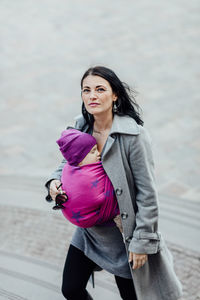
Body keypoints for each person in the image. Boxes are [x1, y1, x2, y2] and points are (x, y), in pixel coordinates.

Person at [45, 66, 182, 300]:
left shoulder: (133, 136)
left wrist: (141, 243)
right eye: (86, 90)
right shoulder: (81, 126)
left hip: (123, 236)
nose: (92, 96)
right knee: (71, 288)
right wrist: (53, 182)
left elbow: (147, 195)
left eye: (100, 89)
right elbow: (66, 163)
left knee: (132, 296)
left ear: (115, 94)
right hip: (89, 233)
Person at [54, 128, 122, 230]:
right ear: (80, 158)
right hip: (95, 222)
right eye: (93, 151)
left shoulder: (73, 164)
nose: (99, 153)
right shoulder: (83, 175)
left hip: (81, 222)